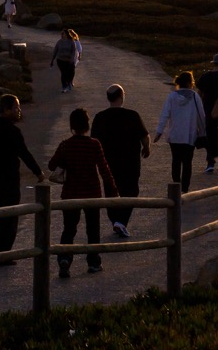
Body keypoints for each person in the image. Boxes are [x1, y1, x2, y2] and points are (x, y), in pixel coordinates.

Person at [48, 108, 116, 277]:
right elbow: (104, 170)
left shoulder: (65, 145)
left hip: (70, 193)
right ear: (87, 124)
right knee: (93, 229)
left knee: (69, 229)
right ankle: (93, 262)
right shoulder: (94, 144)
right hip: (92, 193)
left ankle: (64, 258)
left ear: (72, 125)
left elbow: (51, 165)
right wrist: (114, 192)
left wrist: (65, 160)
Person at [0, 95, 43, 259]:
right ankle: (4, 254)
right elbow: (24, 154)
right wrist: (38, 172)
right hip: (9, 178)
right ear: (6, 110)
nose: (19, 111)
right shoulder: (13, 131)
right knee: (10, 215)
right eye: (16, 108)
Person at [90, 85, 150, 238]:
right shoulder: (132, 115)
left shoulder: (99, 117)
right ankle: (121, 221)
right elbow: (144, 136)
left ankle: (116, 221)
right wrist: (146, 148)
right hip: (130, 162)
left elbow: (93, 141)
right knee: (131, 191)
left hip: (107, 162)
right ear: (122, 96)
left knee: (111, 192)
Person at [154, 71, 205, 193]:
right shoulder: (195, 96)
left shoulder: (172, 96)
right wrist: (202, 132)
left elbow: (164, 115)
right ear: (189, 83)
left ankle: (176, 185)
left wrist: (159, 132)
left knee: (176, 160)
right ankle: (185, 189)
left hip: (175, 135)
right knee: (187, 163)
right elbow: (201, 116)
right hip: (190, 135)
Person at [197, 54, 218, 173]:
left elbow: (199, 92)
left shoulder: (206, 76)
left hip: (208, 110)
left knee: (209, 135)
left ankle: (210, 162)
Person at [51, 29, 81, 93]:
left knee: (70, 73)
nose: (61, 35)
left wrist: (71, 59)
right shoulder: (59, 42)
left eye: (63, 33)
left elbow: (73, 51)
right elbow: (55, 51)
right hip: (60, 60)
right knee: (63, 73)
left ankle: (69, 83)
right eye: (61, 34)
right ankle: (64, 87)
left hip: (69, 60)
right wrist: (52, 60)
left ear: (66, 34)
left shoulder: (71, 42)